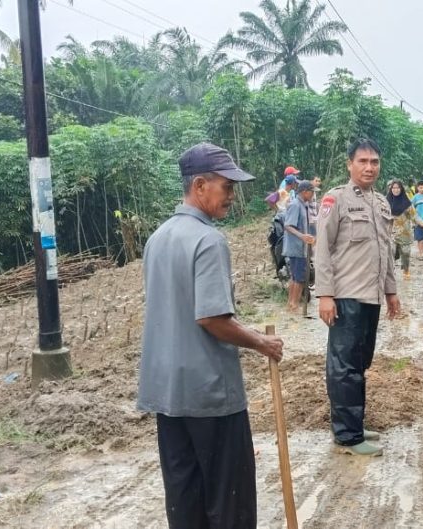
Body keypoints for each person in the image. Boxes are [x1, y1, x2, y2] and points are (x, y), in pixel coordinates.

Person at [138, 142, 285, 528]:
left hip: (168, 395)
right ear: (200, 186)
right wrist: (261, 342)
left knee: (185, 499)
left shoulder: (158, 238)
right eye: (227, 188)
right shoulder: (208, 241)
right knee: (229, 503)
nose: (232, 198)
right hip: (210, 395)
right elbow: (212, 319)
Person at [314, 138, 401, 457]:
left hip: (371, 298)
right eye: (362, 161)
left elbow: (386, 251)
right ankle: (347, 436)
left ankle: (355, 423)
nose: (369, 167)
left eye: (374, 162)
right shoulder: (335, 200)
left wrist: (391, 291)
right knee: (344, 367)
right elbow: (322, 248)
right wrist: (325, 294)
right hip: (346, 296)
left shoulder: (380, 203)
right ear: (349, 165)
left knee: (360, 363)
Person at [282, 181, 316, 312]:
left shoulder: (303, 205)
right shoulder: (296, 205)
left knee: (295, 276)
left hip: (300, 246)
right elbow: (288, 225)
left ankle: (291, 304)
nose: (313, 195)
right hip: (297, 247)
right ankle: (294, 305)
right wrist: (302, 236)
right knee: (300, 277)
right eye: (312, 192)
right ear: (305, 192)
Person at [387, 179, 423, 281]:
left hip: (405, 232)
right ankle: (391, 272)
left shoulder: (406, 202)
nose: (395, 190)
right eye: (393, 188)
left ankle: (406, 270)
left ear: (401, 189)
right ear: (390, 189)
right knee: (391, 251)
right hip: (391, 232)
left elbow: (414, 216)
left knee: (406, 253)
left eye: (398, 188)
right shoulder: (386, 202)